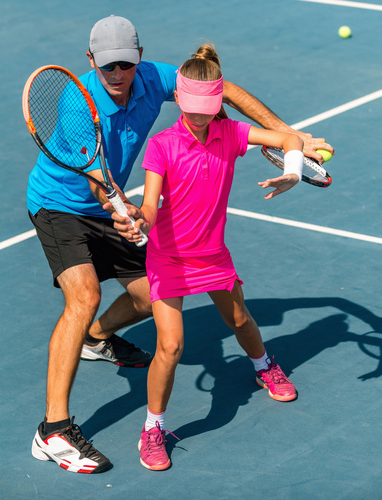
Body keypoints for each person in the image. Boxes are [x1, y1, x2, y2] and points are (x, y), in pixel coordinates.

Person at [27, 15, 334, 474]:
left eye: (126, 64)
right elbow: (97, 179)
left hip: (111, 209)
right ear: (91, 61)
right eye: (108, 65)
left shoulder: (154, 78)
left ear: (139, 57)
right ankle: (53, 430)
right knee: (84, 296)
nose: (118, 74)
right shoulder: (77, 103)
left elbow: (224, 91)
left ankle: (96, 338)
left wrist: (294, 135)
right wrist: (122, 207)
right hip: (60, 205)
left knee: (148, 298)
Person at [122, 44, 304, 471]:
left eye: (207, 108)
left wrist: (293, 171)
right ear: (179, 98)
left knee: (240, 320)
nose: (200, 116)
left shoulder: (232, 134)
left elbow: (290, 139)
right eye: (192, 108)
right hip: (169, 258)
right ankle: (153, 429)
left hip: (212, 255)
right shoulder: (161, 146)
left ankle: (264, 365)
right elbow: (149, 208)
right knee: (170, 346)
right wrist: (140, 219)